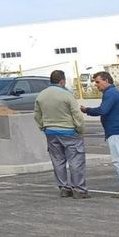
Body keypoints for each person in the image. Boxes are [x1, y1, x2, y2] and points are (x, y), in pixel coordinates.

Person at [33, 70, 87, 198]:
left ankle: (64, 187)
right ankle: (79, 189)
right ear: (62, 81)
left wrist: (43, 126)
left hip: (50, 132)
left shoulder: (41, 95)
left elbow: (37, 115)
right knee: (75, 161)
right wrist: (80, 129)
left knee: (58, 161)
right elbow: (77, 114)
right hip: (69, 131)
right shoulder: (67, 95)